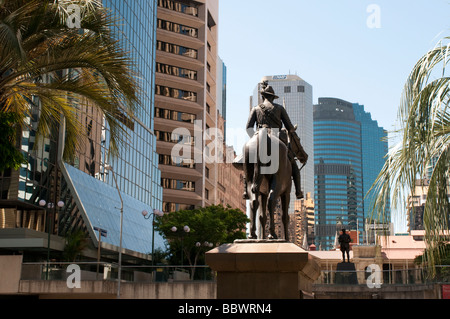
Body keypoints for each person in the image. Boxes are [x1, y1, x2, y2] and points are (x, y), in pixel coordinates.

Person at [243, 82, 307, 200]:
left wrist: (254, 138)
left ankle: (245, 188)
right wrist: (291, 129)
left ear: (263, 96)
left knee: (245, 162)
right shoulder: (279, 108)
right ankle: (298, 191)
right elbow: (289, 128)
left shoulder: (256, 109)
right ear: (273, 97)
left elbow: (248, 128)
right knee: (293, 163)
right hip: (276, 136)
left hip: (258, 135)